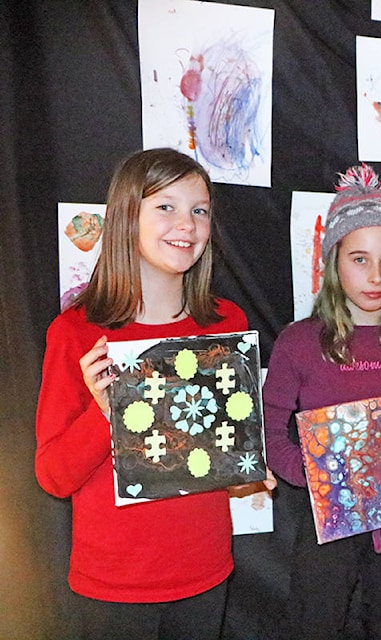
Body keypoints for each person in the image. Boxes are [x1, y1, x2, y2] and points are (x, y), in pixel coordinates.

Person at [35, 148, 266, 639]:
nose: (186, 223)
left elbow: (215, 462)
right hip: (114, 586)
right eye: (166, 206)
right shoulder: (76, 333)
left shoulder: (225, 326)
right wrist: (106, 413)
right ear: (126, 216)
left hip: (205, 572)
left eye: (199, 210)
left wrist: (246, 472)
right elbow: (53, 477)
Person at [263, 163, 381, 640]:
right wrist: (309, 473)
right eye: (360, 259)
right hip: (325, 520)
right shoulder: (299, 342)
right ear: (333, 261)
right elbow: (269, 425)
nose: (376, 275)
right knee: (316, 623)